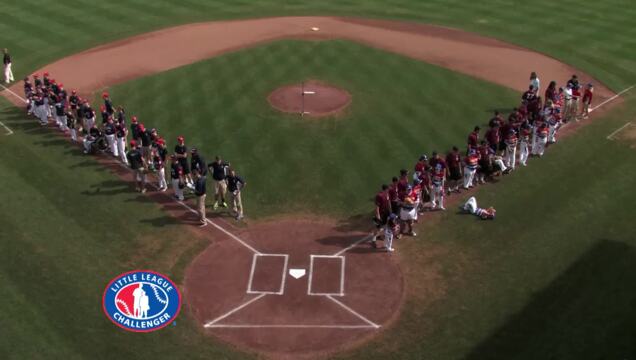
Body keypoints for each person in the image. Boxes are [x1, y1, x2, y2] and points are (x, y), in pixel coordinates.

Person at [372, 184, 391, 248]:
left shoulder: (387, 194)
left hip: (386, 213)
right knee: (377, 227)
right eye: (388, 189)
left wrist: (389, 211)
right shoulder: (379, 196)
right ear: (386, 189)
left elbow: (388, 203)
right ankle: (373, 240)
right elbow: (377, 206)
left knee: (385, 225)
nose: (388, 190)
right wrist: (378, 215)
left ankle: (380, 236)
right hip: (381, 214)